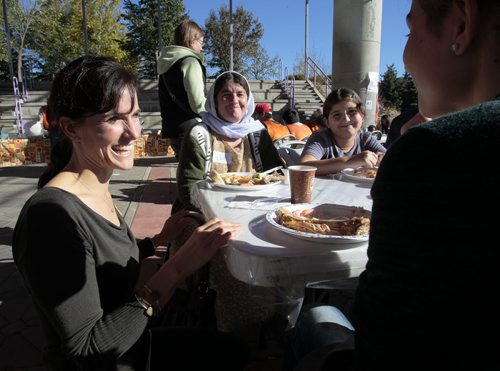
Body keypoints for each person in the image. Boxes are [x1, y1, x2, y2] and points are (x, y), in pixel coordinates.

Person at [291, 0, 500, 369]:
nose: (404, 57)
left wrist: (426, 146)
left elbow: (386, 340)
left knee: (315, 318)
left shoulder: (433, 157)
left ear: (461, 26)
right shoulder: (327, 140)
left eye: (410, 31)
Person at [12, 56, 247, 370]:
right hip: (117, 360)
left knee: (234, 350)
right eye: (114, 119)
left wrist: (158, 240)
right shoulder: (50, 218)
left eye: (135, 115)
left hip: (137, 343)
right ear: (70, 128)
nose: (134, 132)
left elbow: (103, 269)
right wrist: (177, 268)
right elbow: (87, 350)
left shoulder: (95, 185)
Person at [174, 71, 284, 213]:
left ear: (248, 99)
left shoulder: (258, 133)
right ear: (215, 101)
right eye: (226, 95)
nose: (234, 100)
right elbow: (188, 187)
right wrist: (219, 211)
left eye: (240, 94)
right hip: (206, 211)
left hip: (253, 207)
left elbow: (275, 174)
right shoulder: (200, 134)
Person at [299, 88, 386, 176]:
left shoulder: (365, 139)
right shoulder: (320, 139)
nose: (346, 119)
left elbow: (394, 158)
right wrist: (349, 162)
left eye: (352, 111)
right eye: (337, 115)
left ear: (362, 116)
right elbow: (303, 166)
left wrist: (383, 157)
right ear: (327, 122)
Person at [157, 20, 206, 159]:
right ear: (192, 40)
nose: (201, 48)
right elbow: (198, 104)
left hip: (173, 128)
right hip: (192, 129)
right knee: (197, 176)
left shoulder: (167, 64)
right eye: (201, 42)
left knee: (185, 174)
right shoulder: (190, 62)